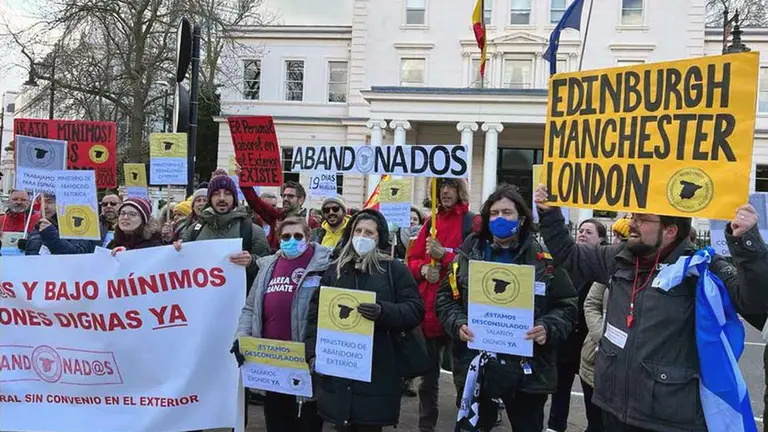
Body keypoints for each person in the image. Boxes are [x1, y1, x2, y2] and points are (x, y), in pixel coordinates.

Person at [535, 184, 768, 431]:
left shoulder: (703, 268)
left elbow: (754, 300)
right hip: (611, 407)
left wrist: (747, 243)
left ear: (670, 230)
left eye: (642, 219)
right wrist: (550, 215)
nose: (632, 223)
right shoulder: (618, 258)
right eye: (633, 216)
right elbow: (570, 256)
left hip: (667, 419)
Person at [435, 184, 577, 431]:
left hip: (529, 370)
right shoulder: (468, 255)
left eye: (507, 213)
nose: (500, 218)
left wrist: (548, 328)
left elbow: (567, 305)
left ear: (521, 219)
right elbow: (446, 299)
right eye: (494, 213)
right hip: (478, 366)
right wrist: (458, 324)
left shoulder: (544, 259)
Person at [305, 209, 425, 432]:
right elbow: (315, 315)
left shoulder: (394, 269)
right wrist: (312, 353)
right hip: (339, 368)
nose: (362, 236)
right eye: (358, 230)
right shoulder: (336, 270)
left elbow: (415, 310)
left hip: (377, 370)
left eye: (369, 232)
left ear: (380, 238)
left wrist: (383, 312)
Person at [233, 216, 332, 432]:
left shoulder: (325, 265)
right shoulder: (268, 266)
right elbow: (250, 308)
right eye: (286, 236)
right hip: (273, 361)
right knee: (277, 422)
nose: (292, 240)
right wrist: (241, 339)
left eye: (298, 236)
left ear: (308, 237)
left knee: (306, 424)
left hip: (306, 362)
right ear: (279, 239)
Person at [405, 178, 474, 432]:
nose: (445, 191)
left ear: (460, 190)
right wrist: (422, 269)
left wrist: (443, 257)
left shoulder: (471, 223)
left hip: (458, 313)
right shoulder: (428, 222)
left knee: (464, 377)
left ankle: (466, 423)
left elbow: (474, 263)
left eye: (451, 186)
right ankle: (426, 427)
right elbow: (410, 260)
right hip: (429, 312)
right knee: (428, 378)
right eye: (441, 186)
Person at [547, 219, 607, 432]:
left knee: (591, 393)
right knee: (559, 388)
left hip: (589, 342)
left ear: (600, 239)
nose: (582, 234)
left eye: (588, 232)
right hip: (565, 339)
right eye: (580, 230)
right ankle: (555, 425)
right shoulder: (564, 264)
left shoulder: (603, 268)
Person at [180, 173, 270, 291]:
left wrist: (252, 262)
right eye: (216, 193)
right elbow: (181, 268)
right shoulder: (194, 231)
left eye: (227, 193)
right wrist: (177, 250)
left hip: (239, 304)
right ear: (210, 198)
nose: (222, 198)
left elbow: (268, 270)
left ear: (234, 198)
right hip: (202, 303)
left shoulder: (252, 231)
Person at [242, 180, 320, 251]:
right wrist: (244, 181)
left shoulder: (310, 222)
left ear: (301, 200)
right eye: (284, 195)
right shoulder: (277, 216)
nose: (285, 199)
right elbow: (256, 203)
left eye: (290, 196)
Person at [22, 194, 98, 255]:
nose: (44, 207)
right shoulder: (39, 228)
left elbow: (77, 255)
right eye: (42, 202)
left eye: (49, 202)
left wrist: (51, 235)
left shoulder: (79, 226)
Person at [0, 189, 41, 255]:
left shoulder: (38, 220)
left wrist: (30, 245)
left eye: (23, 200)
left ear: (29, 202)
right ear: (9, 201)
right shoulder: (1, 220)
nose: (19, 202)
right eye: (15, 199)